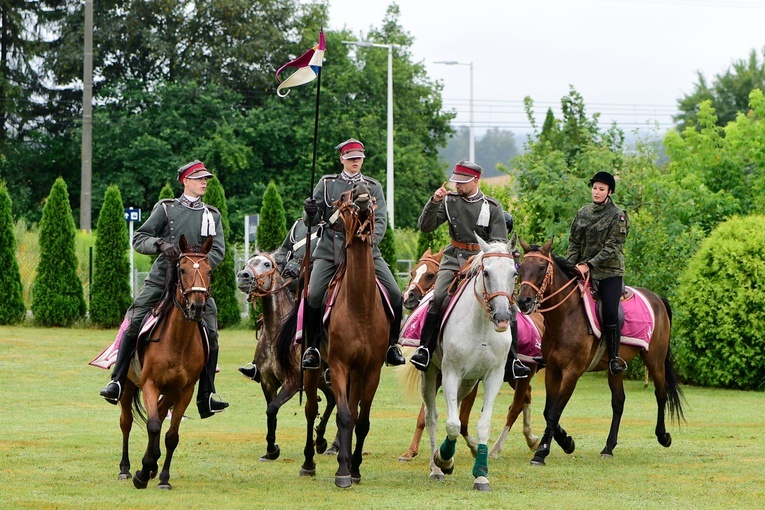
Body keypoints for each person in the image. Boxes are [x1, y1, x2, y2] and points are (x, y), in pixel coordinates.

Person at [99, 160, 229, 418]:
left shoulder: (212, 214)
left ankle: (207, 394)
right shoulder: (166, 209)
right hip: (162, 279)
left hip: (194, 284)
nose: (204, 182)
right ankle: (116, 381)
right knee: (134, 319)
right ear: (185, 181)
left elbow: (219, 250)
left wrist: (195, 268)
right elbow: (139, 238)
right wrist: (159, 244)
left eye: (206, 179)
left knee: (211, 332)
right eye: (199, 178)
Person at [409, 160, 531, 379]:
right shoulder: (448, 201)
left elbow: (499, 242)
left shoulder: (492, 207)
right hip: (454, 259)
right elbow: (425, 227)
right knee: (437, 298)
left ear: (475, 181)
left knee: (508, 305)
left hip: (483, 260)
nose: (457, 186)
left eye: (462, 183)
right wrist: (434, 202)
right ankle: (425, 349)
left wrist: (486, 261)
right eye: (456, 182)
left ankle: (512, 361)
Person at [301, 138, 406, 369]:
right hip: (331, 250)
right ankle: (313, 347)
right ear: (342, 160)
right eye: (350, 159)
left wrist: (368, 244)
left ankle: (392, 345)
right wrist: (309, 211)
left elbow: (380, 222)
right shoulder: (327, 184)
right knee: (314, 294)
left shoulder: (373, 186)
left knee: (396, 294)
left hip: (366, 252)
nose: (355, 162)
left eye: (358, 158)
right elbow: (313, 220)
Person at [238, 218, 320, 381]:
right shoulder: (299, 224)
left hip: (315, 282)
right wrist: (277, 264)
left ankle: (319, 358)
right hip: (291, 282)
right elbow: (283, 252)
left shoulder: (332, 226)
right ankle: (259, 362)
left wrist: (304, 267)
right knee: (272, 313)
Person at [567, 171, 629, 374]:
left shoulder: (618, 215)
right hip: (582, 270)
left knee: (610, 311)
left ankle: (613, 358)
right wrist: (569, 267)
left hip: (609, 272)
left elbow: (612, 247)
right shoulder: (583, 212)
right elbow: (574, 243)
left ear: (609, 192)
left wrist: (589, 265)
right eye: (594, 188)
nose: (597, 192)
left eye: (601, 189)